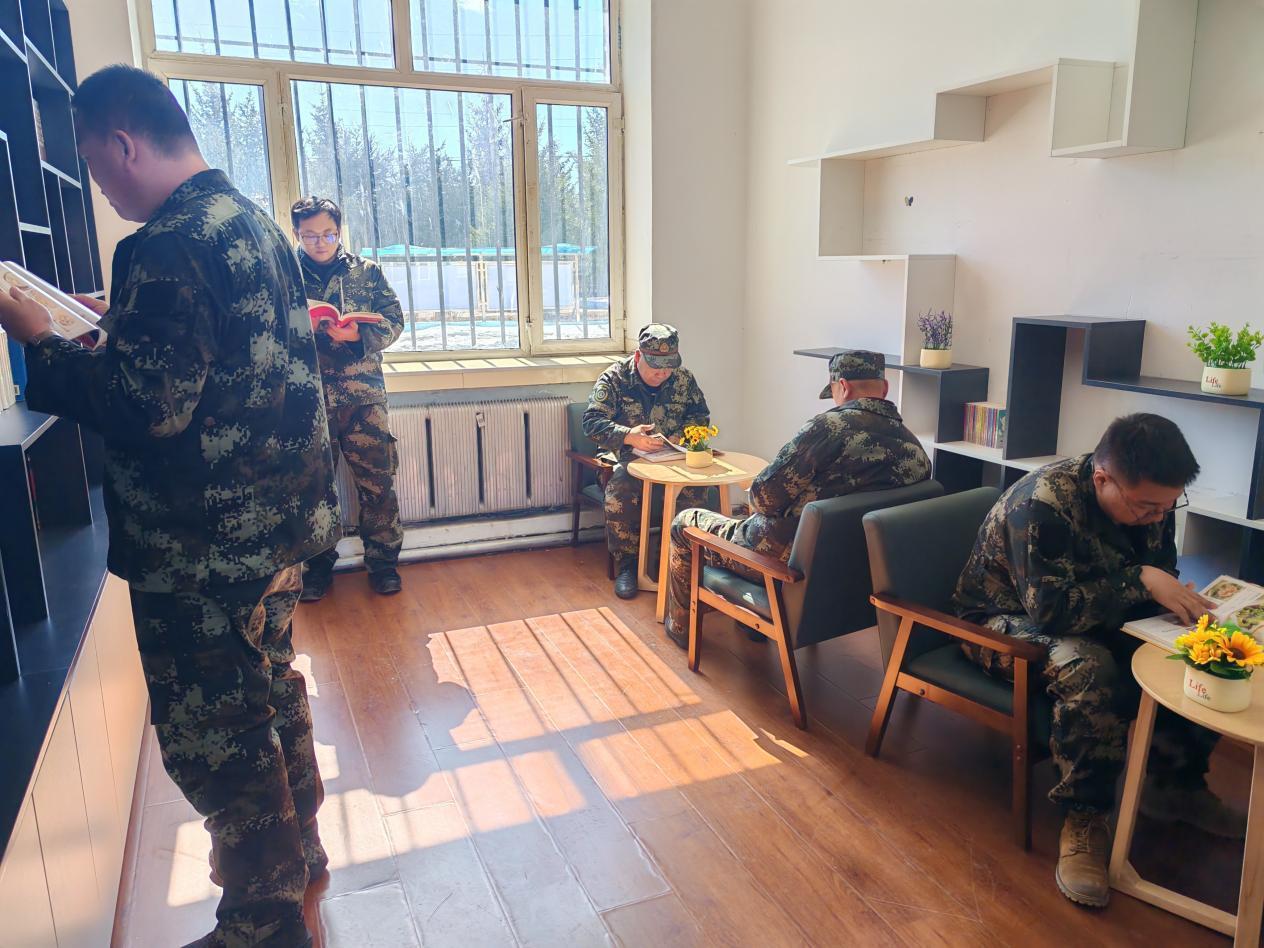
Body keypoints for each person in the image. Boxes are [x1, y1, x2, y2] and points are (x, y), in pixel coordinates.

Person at [0, 65, 339, 947]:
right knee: (271, 688)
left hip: (204, 548)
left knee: (217, 732)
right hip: (277, 527)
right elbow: (216, 355)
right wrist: (116, 323)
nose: (103, 189)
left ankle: (264, 923)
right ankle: (299, 850)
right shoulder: (245, 219)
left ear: (123, 143)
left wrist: (41, 343)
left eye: (94, 164)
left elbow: (149, 407)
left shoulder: (164, 244)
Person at [953, 413, 1243, 909]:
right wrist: (1141, 582)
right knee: (1089, 668)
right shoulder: (1042, 505)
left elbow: (1158, 567)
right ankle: (1084, 818)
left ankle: (1176, 783)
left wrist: (1171, 599)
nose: (1158, 517)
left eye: (1168, 506)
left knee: (1198, 645)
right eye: (1147, 507)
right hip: (1000, 619)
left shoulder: (1151, 499)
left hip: (1090, 609)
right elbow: (1052, 612)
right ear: (1102, 478)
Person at [665, 350, 932, 647]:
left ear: (843, 387)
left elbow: (763, 498)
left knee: (685, 523)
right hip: (856, 575)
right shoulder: (915, 449)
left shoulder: (827, 429)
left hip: (785, 564)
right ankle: (752, 623)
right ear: (885, 388)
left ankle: (680, 627)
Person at [290, 196, 405, 601]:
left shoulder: (367, 272)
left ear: (339, 232)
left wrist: (358, 334)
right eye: (310, 236)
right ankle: (317, 569)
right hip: (308, 400)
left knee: (378, 485)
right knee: (313, 490)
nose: (320, 243)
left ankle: (384, 565)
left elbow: (395, 320)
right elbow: (264, 328)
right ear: (296, 233)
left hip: (363, 399)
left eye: (328, 234)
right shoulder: (284, 274)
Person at [583, 324, 712, 599]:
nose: (662, 373)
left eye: (668, 367)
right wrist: (629, 436)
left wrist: (680, 435)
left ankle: (675, 559)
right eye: (656, 367)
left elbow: (700, 416)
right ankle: (628, 566)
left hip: (671, 457)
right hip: (626, 459)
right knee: (623, 487)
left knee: (697, 488)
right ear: (638, 356)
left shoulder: (683, 379)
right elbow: (591, 423)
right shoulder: (614, 378)